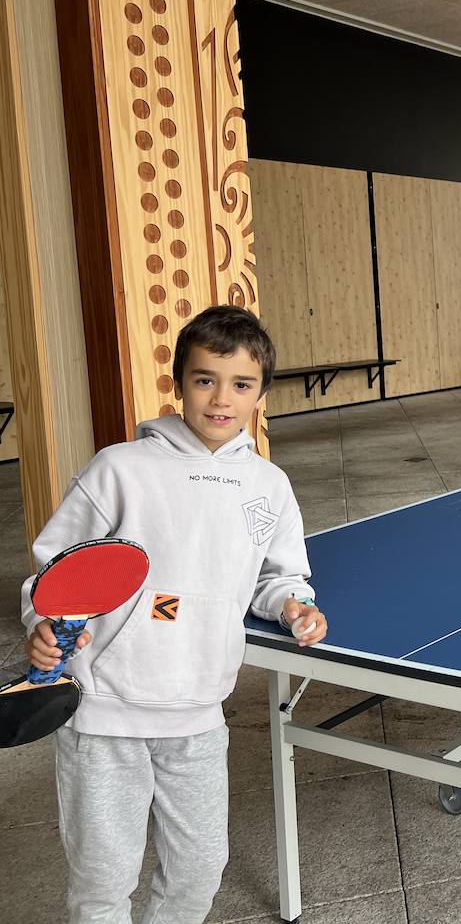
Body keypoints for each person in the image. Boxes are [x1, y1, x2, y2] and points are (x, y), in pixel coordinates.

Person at [22, 305, 328, 924]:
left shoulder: (269, 486)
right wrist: (42, 625)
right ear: (179, 382)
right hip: (104, 716)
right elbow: (54, 572)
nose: (221, 399)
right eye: (204, 379)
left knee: (197, 871)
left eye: (241, 384)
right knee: (103, 880)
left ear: (261, 393)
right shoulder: (121, 468)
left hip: (198, 714)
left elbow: (276, 577)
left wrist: (294, 604)